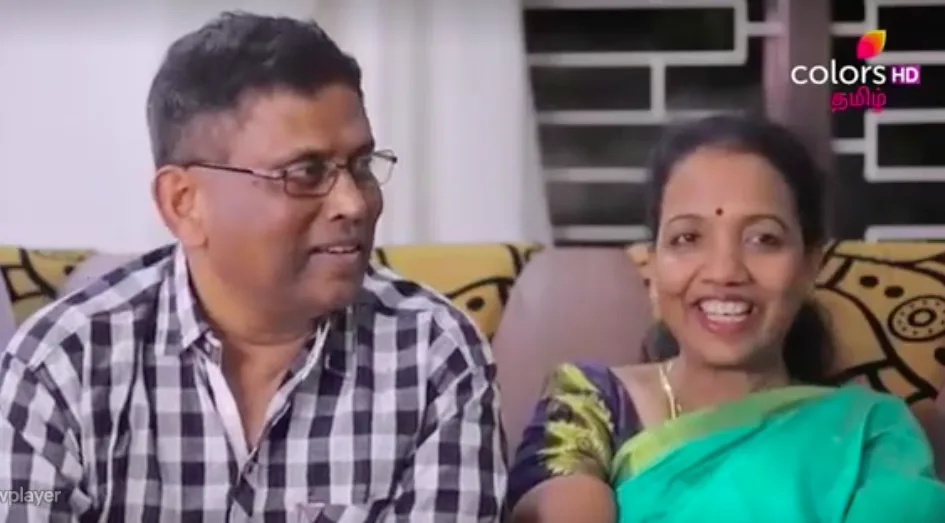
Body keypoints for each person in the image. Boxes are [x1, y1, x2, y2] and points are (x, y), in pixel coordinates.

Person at [0, 12, 506, 522]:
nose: (353, 204)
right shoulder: (62, 365)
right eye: (305, 172)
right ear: (183, 203)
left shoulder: (434, 356)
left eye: (361, 166)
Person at [507, 115, 945, 523]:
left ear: (811, 264)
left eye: (763, 239)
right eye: (687, 238)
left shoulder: (868, 434)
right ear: (653, 262)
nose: (724, 272)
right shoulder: (592, 403)